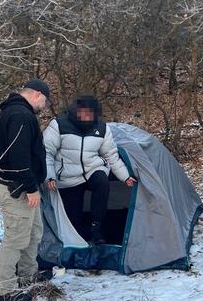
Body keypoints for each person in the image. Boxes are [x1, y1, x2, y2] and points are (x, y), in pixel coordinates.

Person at [0, 79, 52, 301]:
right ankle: (4, 290)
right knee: (16, 239)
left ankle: (28, 275)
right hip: (16, 190)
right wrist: (30, 187)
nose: (44, 107)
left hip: (25, 188)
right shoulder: (20, 115)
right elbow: (19, 157)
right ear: (37, 94)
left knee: (34, 232)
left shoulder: (18, 112)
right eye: (44, 101)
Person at [44, 95, 136, 244]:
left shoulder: (101, 127)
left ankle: (96, 227)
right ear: (76, 111)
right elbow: (46, 152)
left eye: (91, 113)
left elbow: (111, 155)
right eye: (84, 112)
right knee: (73, 220)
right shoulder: (59, 125)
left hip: (92, 169)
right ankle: (80, 237)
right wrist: (50, 176)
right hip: (68, 175)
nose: (87, 116)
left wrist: (125, 176)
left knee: (102, 181)